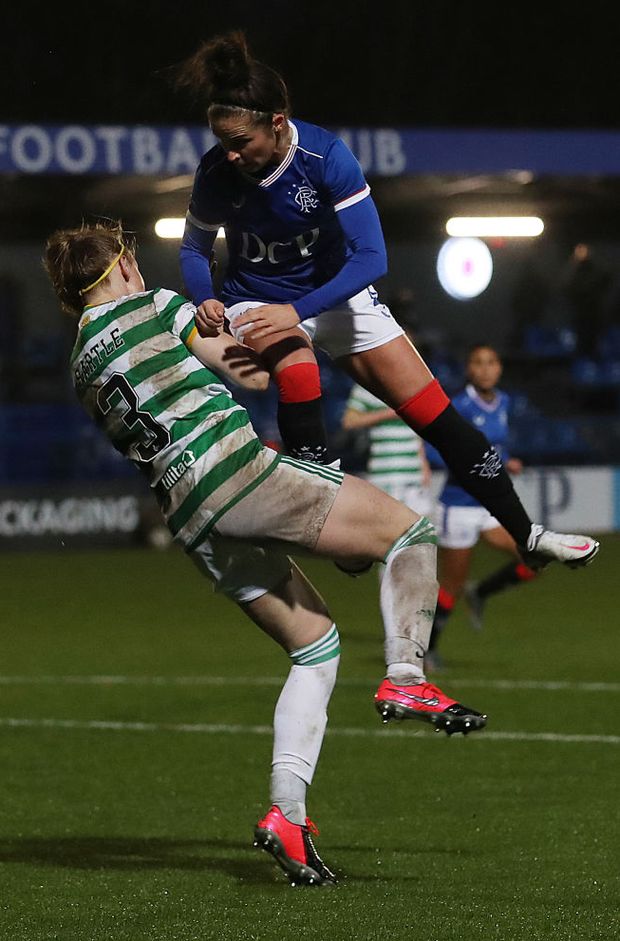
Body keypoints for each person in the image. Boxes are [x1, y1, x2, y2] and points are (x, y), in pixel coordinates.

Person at [44, 220, 488, 888]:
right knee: (410, 533)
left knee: (315, 648)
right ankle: (404, 670)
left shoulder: (81, 365)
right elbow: (245, 371)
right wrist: (293, 329)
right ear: (124, 265)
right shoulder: (154, 305)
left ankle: (286, 814)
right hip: (237, 474)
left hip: (192, 520)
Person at [176, 31, 599, 573]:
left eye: (240, 140)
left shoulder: (324, 157)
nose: (230, 153)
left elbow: (372, 259)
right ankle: (329, 526)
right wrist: (207, 297)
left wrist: (300, 310)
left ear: (277, 121)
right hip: (257, 300)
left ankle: (529, 535)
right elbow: (194, 248)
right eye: (222, 140)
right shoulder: (217, 171)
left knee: (438, 418)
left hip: (332, 296)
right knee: (301, 375)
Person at [427, 345, 538, 668]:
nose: (486, 369)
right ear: (469, 370)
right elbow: (435, 451)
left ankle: (482, 593)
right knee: (452, 585)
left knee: (533, 558)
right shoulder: (458, 405)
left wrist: (507, 461)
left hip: (488, 505)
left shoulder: (504, 403)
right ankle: (427, 651)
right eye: (478, 362)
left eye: (491, 362)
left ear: (500, 368)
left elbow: (497, 447)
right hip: (458, 506)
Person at [342, 381, 433, 519]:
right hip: (384, 472)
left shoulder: (411, 382)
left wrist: (424, 463)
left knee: (419, 531)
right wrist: (390, 413)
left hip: (414, 471)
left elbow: (416, 429)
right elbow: (349, 421)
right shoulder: (366, 386)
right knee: (387, 529)